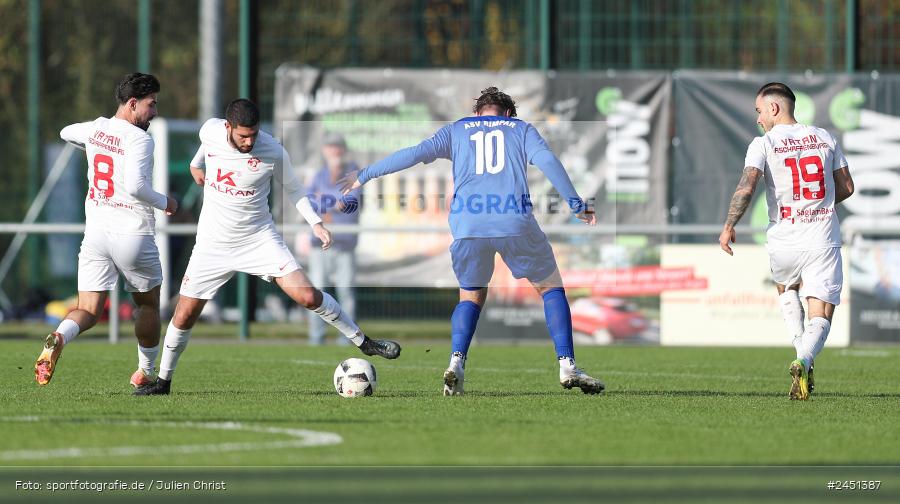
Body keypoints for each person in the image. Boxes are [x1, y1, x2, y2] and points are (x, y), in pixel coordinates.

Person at [341, 87, 603, 396]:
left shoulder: (458, 129)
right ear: (508, 113)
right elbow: (547, 160)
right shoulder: (521, 129)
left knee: (470, 297)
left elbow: (414, 153)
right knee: (550, 288)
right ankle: (567, 364)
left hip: (468, 225)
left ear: (477, 113)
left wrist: (365, 174)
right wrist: (576, 204)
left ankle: (456, 362)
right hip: (513, 222)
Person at [133, 98, 400, 396]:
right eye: (243, 136)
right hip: (212, 245)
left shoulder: (273, 150)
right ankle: (163, 382)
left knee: (308, 295)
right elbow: (205, 145)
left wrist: (316, 223)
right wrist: (196, 164)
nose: (249, 142)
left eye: (254, 135)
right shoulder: (210, 130)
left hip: (258, 239)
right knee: (183, 315)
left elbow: (295, 190)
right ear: (228, 127)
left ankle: (364, 342)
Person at [35, 73, 178, 387]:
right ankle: (145, 372)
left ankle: (59, 337)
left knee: (87, 310)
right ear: (132, 104)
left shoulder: (97, 128)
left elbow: (65, 132)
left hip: (97, 236)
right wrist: (166, 202)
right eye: (151, 104)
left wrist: (93, 145)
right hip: (132, 234)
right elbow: (136, 187)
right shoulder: (140, 139)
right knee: (148, 305)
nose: (154, 112)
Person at [719, 82, 854, 400]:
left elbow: (746, 187)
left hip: (783, 239)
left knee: (787, 289)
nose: (758, 119)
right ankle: (804, 359)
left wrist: (729, 225)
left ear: (774, 108)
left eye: (759, 111)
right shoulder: (824, 137)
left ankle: (800, 354)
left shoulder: (763, 143)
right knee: (821, 312)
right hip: (821, 237)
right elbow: (847, 186)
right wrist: (818, 206)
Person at [304, 133, 361, 345]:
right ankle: (316, 338)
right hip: (319, 244)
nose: (334, 150)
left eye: (337, 146)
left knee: (346, 292)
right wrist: (332, 202)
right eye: (330, 146)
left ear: (343, 149)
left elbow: (349, 203)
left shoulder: (353, 173)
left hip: (344, 243)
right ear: (324, 150)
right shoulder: (319, 175)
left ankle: (348, 339)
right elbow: (308, 202)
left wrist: (324, 201)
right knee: (316, 293)